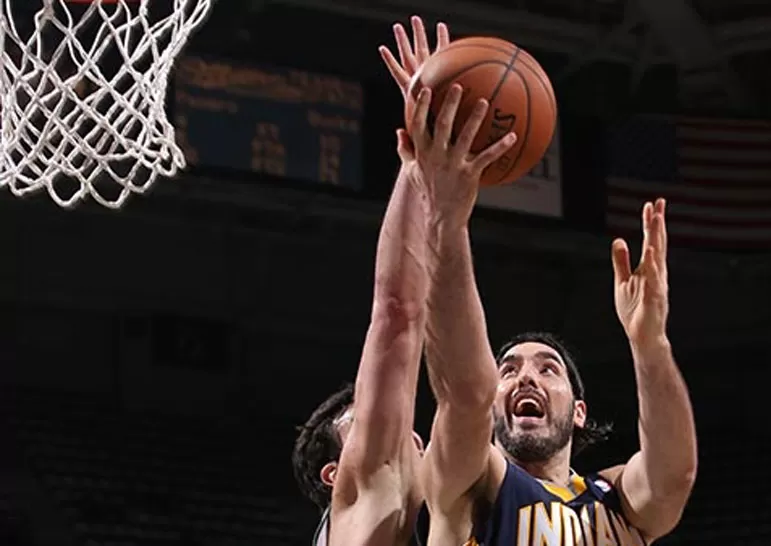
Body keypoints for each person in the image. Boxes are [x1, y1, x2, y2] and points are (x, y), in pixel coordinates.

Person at [401, 33, 699, 540]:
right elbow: (463, 393)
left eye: (548, 369)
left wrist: (650, 344)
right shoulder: (471, 485)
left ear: (579, 412)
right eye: (509, 369)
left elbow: (675, 476)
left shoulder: (619, 504)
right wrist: (447, 226)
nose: (525, 379)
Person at [291, 16, 517, 546]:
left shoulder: (444, 510)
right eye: (358, 419)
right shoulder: (370, 498)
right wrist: (420, 166)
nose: (400, 425)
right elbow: (397, 315)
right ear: (335, 476)